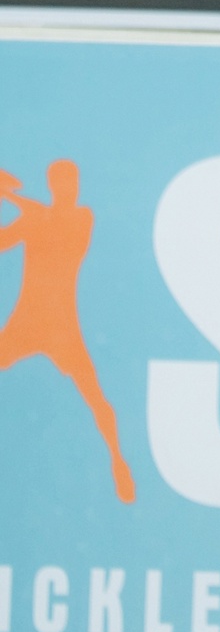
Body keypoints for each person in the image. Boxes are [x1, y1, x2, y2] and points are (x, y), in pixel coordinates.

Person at [0, 160, 136, 502]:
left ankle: (119, 464)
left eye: (72, 183)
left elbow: (54, 223)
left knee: (96, 398)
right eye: (61, 183)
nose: (68, 189)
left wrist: (12, 197)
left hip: (62, 328)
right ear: (52, 186)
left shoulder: (82, 218)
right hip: (26, 321)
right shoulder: (35, 218)